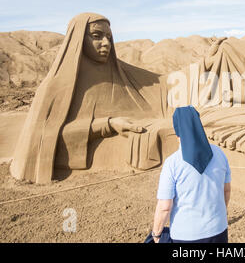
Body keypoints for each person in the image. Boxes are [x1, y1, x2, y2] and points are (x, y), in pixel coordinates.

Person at [10, 13, 168, 183]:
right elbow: (45, 140)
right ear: (78, 39)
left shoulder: (120, 74)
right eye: (96, 36)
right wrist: (109, 124)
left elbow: (161, 82)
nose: (106, 43)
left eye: (109, 37)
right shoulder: (56, 86)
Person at [151, 105, 231, 243]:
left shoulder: (173, 162)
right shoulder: (220, 154)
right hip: (219, 231)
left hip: (186, 237)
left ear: (177, 132)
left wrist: (156, 233)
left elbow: (165, 207)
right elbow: (226, 190)